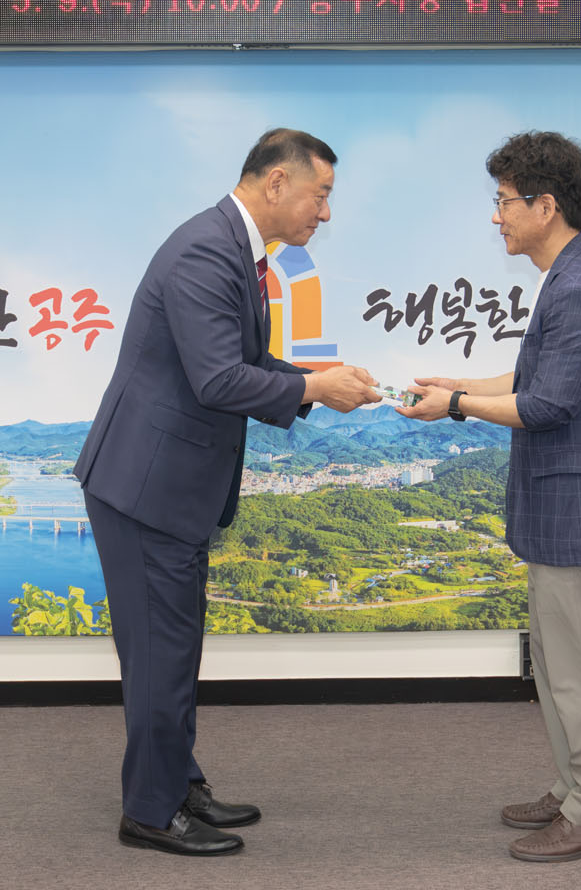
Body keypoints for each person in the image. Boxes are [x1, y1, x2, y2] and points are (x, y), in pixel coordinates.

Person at [74, 127, 380, 856]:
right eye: (321, 194)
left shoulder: (233, 248)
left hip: (169, 489)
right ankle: (151, 813)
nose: (326, 213)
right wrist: (315, 388)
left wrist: (318, 380)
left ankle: (178, 784)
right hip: (146, 489)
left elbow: (243, 360)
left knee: (174, 650)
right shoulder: (206, 251)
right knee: (161, 654)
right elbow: (218, 380)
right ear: (277, 182)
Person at [399, 131, 581, 863]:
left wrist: (452, 407)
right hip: (568, 509)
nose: (496, 215)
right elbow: (532, 379)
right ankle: (575, 791)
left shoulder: (576, 288)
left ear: (546, 206)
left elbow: (545, 406)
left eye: (505, 201)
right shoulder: (574, 274)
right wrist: (457, 384)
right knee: (559, 665)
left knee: (580, 672)